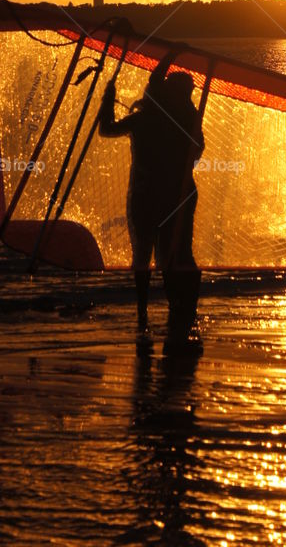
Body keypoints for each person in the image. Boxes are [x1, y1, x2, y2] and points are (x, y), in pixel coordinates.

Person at [98, 61, 204, 355]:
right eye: (187, 92)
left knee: (161, 253)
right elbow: (197, 150)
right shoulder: (180, 118)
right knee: (167, 253)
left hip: (160, 196)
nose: (190, 97)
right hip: (170, 195)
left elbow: (106, 128)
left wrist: (108, 98)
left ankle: (156, 312)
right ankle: (169, 310)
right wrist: (170, 56)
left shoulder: (153, 118)